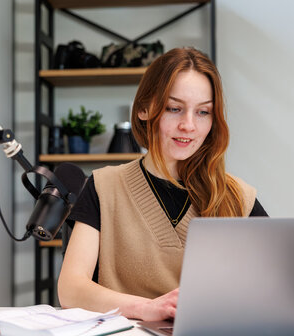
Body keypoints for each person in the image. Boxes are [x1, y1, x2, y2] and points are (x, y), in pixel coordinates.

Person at [58, 47, 268, 321]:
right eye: (174, 109)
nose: (189, 125)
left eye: (203, 112)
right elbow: (70, 290)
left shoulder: (238, 196)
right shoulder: (103, 186)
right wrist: (146, 308)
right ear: (144, 109)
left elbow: (278, 284)